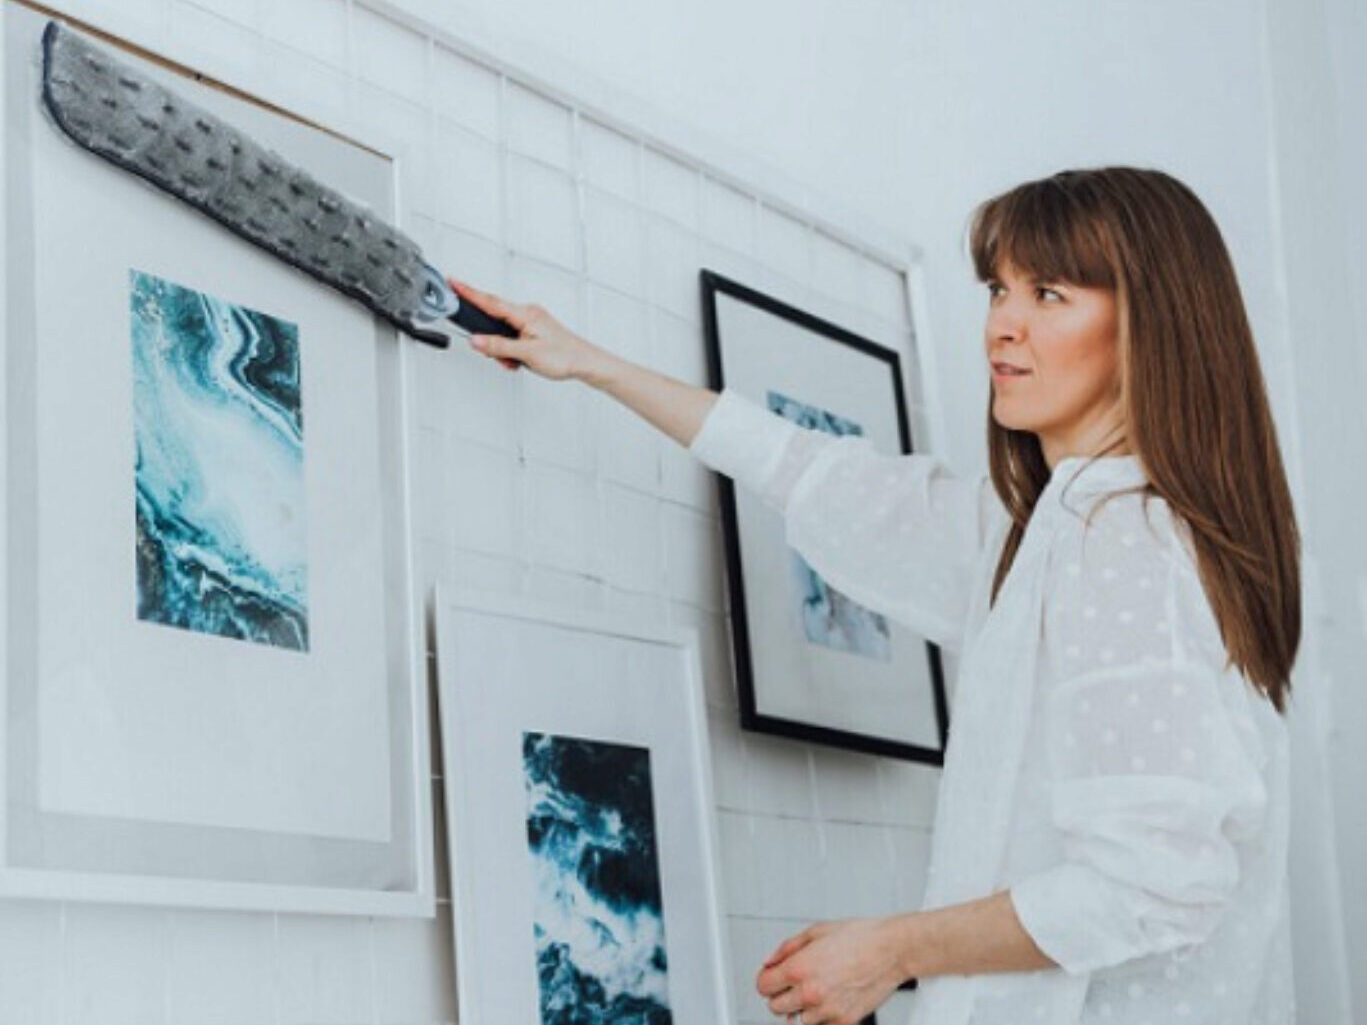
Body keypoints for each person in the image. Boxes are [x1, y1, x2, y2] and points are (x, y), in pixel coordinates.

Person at [454, 166, 1299, 1025]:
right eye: (997, 289)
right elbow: (810, 473)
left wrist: (892, 949)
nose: (1001, 325)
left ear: (1149, 323)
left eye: (1048, 293)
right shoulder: (1036, 527)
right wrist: (591, 363)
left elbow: (1156, 883)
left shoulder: (1122, 540)